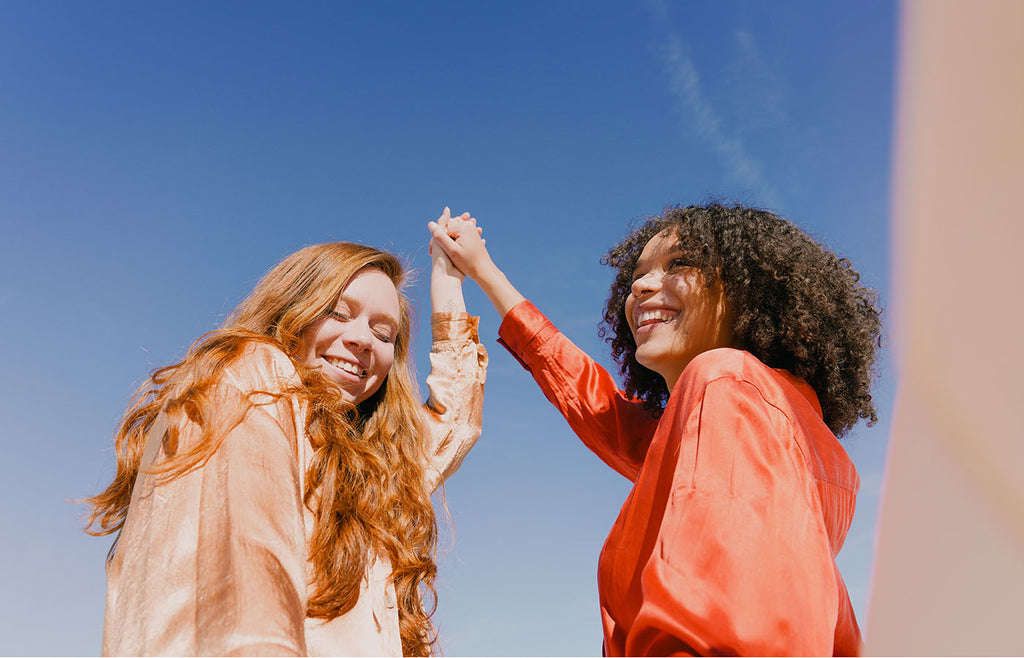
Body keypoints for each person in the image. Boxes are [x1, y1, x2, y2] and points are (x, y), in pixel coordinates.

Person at [429, 203, 881, 656]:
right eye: (636, 278)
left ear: (749, 289)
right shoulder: (768, 427)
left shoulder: (729, 385)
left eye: (679, 264)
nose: (641, 286)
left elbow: (718, 628)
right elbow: (596, 405)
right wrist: (484, 271)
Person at [85, 208, 487, 657]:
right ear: (292, 308)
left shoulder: (369, 468)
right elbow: (241, 590)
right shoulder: (253, 381)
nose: (363, 340)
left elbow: (455, 422)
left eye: (384, 332)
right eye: (338, 312)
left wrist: (448, 280)